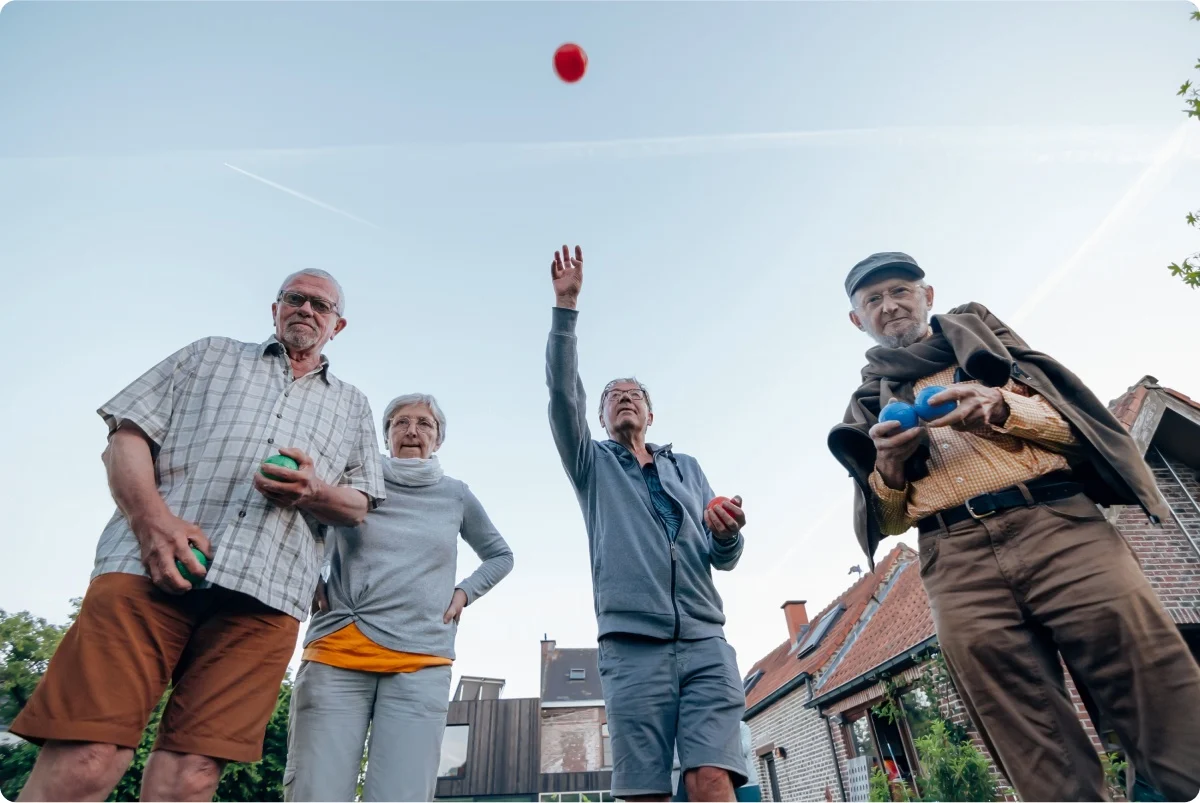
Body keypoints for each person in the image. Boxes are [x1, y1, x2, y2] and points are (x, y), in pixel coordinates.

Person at [829, 251, 1200, 802]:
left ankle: (1171, 784)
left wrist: (1002, 408)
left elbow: (1080, 432)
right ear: (858, 321)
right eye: (873, 300)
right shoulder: (866, 406)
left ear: (927, 296)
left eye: (901, 291)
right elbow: (886, 519)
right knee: (1018, 715)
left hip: (1055, 522)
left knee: (1144, 665)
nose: (890, 306)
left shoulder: (994, 353)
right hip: (953, 556)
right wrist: (887, 467)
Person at [11, 270, 385, 802]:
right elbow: (125, 437)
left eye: (320, 305)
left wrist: (311, 490)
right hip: (144, 568)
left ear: (337, 325)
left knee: (193, 777)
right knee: (87, 757)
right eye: (295, 299)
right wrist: (153, 523)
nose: (306, 309)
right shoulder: (208, 355)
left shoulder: (353, 405)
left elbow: (358, 506)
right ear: (274, 308)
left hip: (265, 594)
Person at [545, 244, 749, 803]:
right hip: (633, 646)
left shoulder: (688, 468)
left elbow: (721, 555)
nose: (624, 399)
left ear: (651, 414)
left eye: (634, 395)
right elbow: (563, 397)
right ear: (602, 416)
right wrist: (566, 310)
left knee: (710, 775)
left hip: (707, 641)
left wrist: (728, 532)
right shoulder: (592, 465)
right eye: (613, 397)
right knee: (644, 792)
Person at [284, 392, 514, 802]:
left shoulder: (455, 495)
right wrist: (314, 574)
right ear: (385, 435)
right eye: (400, 423)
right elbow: (307, 532)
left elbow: (500, 555)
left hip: (421, 661)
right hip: (338, 650)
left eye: (424, 424)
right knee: (315, 792)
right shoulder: (351, 484)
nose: (412, 431)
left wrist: (464, 593)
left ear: (438, 440)